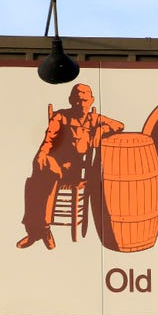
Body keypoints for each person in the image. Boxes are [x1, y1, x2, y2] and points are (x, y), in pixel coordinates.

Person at [17, 83, 124, 249]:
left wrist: (99, 132)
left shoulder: (94, 119)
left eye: (85, 100)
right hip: (54, 165)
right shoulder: (60, 117)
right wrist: (42, 155)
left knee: (37, 181)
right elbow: (48, 141)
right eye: (77, 100)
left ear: (92, 101)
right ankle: (41, 231)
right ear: (70, 100)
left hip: (73, 171)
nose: (81, 104)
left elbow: (119, 125)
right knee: (38, 176)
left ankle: (37, 232)